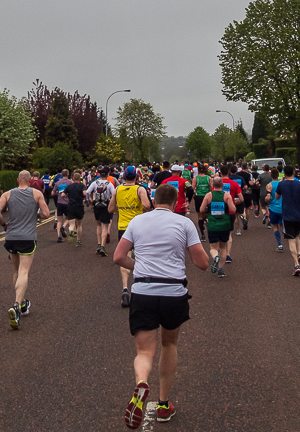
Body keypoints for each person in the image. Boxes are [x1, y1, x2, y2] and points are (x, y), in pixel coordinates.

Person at [115, 183, 209, 427]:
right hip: (173, 291)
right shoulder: (184, 223)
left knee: (144, 351)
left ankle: (141, 384)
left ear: (154, 199)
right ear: (176, 201)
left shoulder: (137, 222)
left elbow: (118, 257)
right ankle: (164, 404)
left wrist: (140, 268)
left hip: (144, 290)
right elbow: (202, 264)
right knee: (169, 343)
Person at [0, 171, 50, 329]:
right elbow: (46, 214)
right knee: (24, 272)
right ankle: (17, 306)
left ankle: (22, 302)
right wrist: (35, 214)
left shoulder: (7, 193)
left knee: (16, 271)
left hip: (11, 236)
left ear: (18, 180)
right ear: (30, 181)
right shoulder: (37, 193)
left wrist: (4, 225)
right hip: (27, 237)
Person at [106, 166, 151, 308]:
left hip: (123, 228)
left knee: (125, 257)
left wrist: (123, 207)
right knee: (141, 256)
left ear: (124, 177)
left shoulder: (117, 190)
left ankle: (125, 288)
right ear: (136, 177)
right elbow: (147, 205)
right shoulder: (140, 189)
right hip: (138, 226)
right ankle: (141, 288)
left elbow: (110, 209)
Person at [197, 176, 235, 278]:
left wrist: (207, 209)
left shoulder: (208, 195)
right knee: (223, 247)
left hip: (213, 225)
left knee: (213, 247)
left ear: (212, 185)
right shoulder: (227, 196)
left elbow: (201, 209)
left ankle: (215, 256)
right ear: (222, 185)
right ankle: (221, 269)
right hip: (225, 224)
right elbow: (233, 209)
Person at [275, 166, 300, 275]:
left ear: (284, 173)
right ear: (294, 172)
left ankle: (296, 265)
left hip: (287, 215)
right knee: (297, 235)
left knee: (290, 239)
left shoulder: (282, 184)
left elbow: (277, 197)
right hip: (299, 215)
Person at [86, 173, 116, 256]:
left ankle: (98, 245)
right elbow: (114, 194)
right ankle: (103, 246)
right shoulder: (109, 184)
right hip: (106, 206)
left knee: (98, 225)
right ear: (106, 176)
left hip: (97, 206)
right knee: (105, 226)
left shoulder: (95, 183)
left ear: (99, 176)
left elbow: (88, 192)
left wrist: (89, 200)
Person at [64, 171, 87, 247]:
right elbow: (84, 193)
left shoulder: (69, 187)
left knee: (71, 224)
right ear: (80, 178)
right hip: (79, 206)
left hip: (71, 206)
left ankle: (71, 231)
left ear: (73, 178)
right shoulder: (82, 186)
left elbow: (62, 194)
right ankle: (78, 241)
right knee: (79, 224)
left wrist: (68, 196)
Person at [265, 168, 284, 252]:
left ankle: (279, 244)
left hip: (273, 208)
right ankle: (287, 237)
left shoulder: (269, 185)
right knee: (281, 226)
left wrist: (266, 199)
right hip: (282, 208)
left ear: (270, 175)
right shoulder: (282, 184)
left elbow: (268, 198)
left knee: (275, 226)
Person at [192, 165, 212, 240]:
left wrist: (193, 195)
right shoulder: (208, 178)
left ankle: (202, 235)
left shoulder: (195, 178)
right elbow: (211, 188)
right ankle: (208, 228)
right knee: (207, 214)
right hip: (207, 197)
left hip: (199, 197)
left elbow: (192, 188)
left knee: (200, 216)